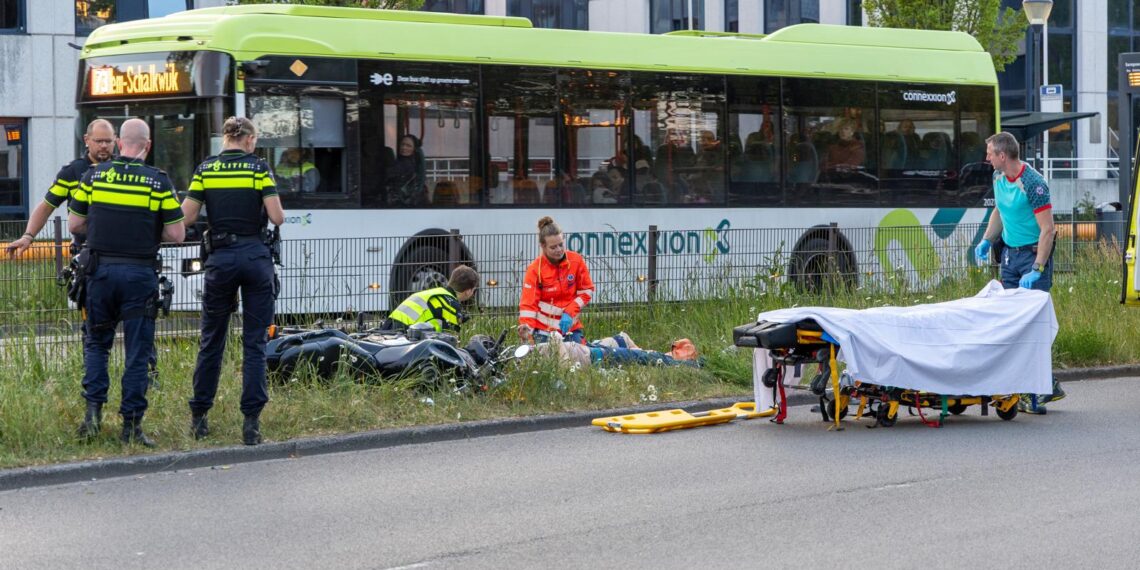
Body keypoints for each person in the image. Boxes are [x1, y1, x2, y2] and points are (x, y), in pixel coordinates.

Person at [68, 118, 186, 446]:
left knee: (96, 344)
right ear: (146, 146)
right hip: (139, 276)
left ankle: (92, 417)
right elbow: (177, 233)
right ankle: (131, 427)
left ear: (119, 143)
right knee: (137, 351)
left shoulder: (93, 176)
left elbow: (75, 224)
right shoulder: (158, 182)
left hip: (100, 274)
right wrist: (148, 231)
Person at [182, 116, 286, 446]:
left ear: (225, 139)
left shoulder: (205, 169)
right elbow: (277, 216)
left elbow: (186, 216)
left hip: (221, 260)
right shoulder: (258, 169)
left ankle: (199, 418)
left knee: (212, 338)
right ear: (250, 139)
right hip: (255, 258)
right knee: (254, 342)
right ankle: (251, 424)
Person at [974, 131, 1065, 414]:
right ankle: (1037, 386)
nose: (987, 157)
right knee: (1009, 322)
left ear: (1003, 155)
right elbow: (999, 212)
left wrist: (1038, 267)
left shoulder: (1033, 183)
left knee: (1032, 326)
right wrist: (987, 240)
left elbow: (1048, 229)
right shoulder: (999, 178)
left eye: (990, 153)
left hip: (1033, 255)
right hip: (1011, 257)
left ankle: (1040, 390)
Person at [6, 119, 116, 257]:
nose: (104, 146)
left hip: (120, 249)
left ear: (115, 140)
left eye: (108, 141)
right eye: (99, 141)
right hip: (86, 252)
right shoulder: (71, 172)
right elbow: (46, 206)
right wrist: (27, 236)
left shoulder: (125, 170)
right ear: (87, 140)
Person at [518, 216, 595, 344]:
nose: (559, 250)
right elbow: (528, 306)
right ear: (543, 246)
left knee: (581, 358)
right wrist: (527, 331)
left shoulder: (576, 260)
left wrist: (570, 312)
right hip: (544, 331)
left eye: (561, 245)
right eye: (553, 247)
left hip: (570, 329)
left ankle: (618, 343)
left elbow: (586, 292)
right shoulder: (534, 269)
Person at [388, 265, 479, 333]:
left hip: (387, 328)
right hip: (401, 334)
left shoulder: (436, 292)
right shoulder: (451, 304)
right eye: (474, 290)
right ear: (468, 291)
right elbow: (450, 340)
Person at [387, 134, 426, 206]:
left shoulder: (408, 165)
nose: (404, 148)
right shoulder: (398, 162)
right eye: (402, 144)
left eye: (408, 146)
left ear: (414, 149)